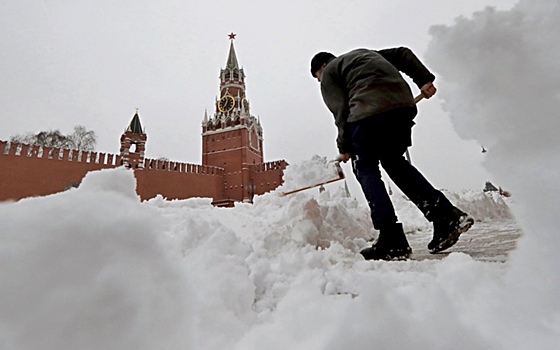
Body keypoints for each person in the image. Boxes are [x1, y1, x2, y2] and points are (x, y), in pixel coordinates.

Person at [310, 47, 474, 261]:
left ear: (322, 67)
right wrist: (423, 80)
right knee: (394, 162)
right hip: (401, 107)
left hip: (368, 112)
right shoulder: (367, 55)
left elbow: (340, 111)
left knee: (365, 167)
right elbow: (403, 54)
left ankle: (391, 238)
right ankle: (446, 216)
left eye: (317, 78)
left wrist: (344, 146)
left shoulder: (330, 72)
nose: (320, 82)